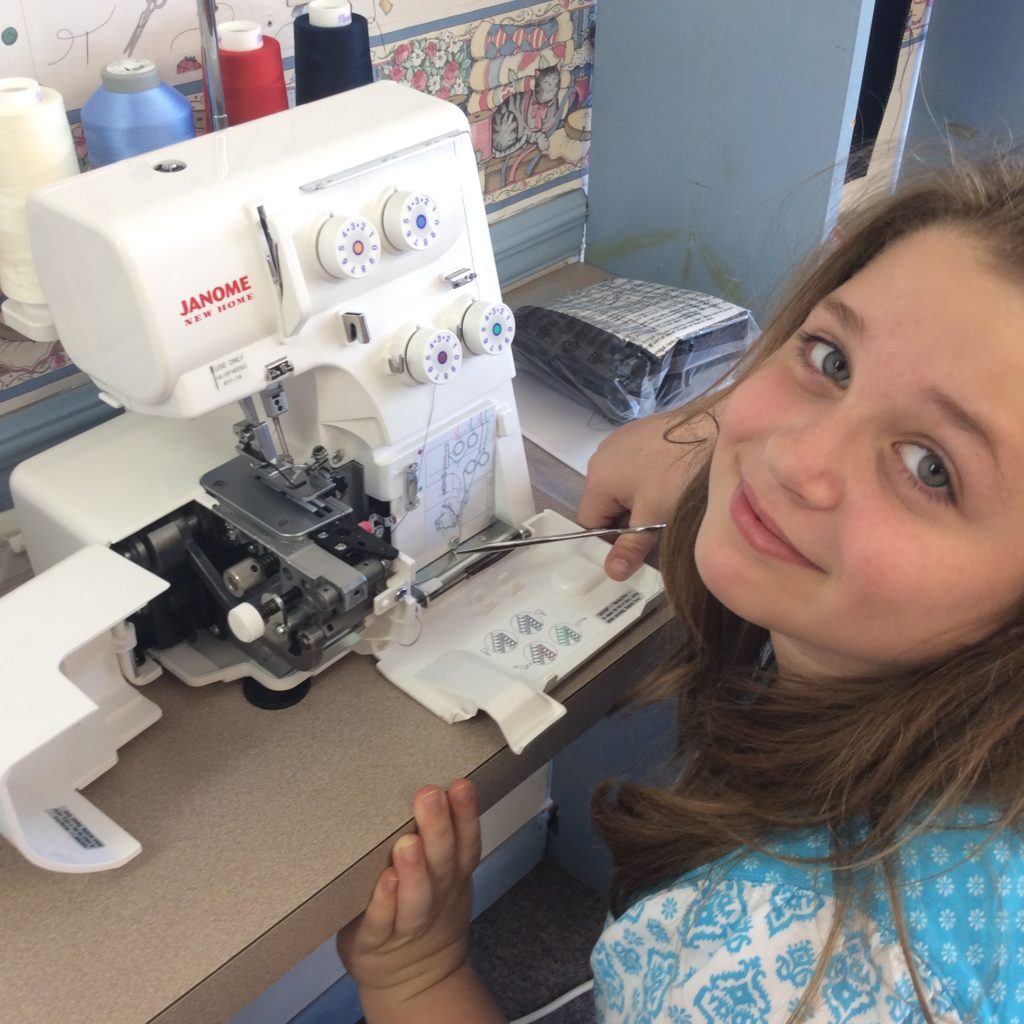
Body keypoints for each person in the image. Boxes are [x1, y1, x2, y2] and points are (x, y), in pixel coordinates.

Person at [337, 159, 1024, 1022]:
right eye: (831, 359)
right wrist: (703, 438)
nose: (790, 460)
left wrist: (417, 977)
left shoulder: (798, 966)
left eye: (931, 469)